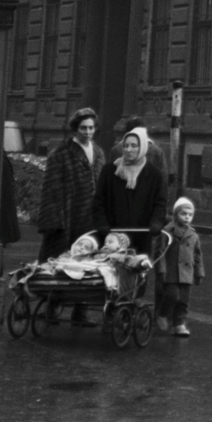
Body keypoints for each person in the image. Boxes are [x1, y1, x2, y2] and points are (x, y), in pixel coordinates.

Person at [36, 106, 107, 326]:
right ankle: (50, 306)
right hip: (67, 217)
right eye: (83, 128)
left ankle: (80, 312)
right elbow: (51, 189)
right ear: (75, 129)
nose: (88, 132)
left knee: (87, 265)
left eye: (91, 128)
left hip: (90, 219)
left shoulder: (99, 153)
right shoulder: (61, 153)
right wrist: (53, 220)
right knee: (60, 262)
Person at [92, 125, 167, 253]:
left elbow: (160, 203)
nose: (128, 149)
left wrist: (156, 223)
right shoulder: (109, 171)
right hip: (111, 238)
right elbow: (99, 200)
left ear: (142, 147)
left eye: (134, 146)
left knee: (137, 270)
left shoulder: (154, 175)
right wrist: (102, 224)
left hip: (141, 237)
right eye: (126, 145)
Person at [158, 198, 205, 337]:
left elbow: (197, 255)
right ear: (175, 214)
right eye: (183, 214)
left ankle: (179, 324)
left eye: (190, 215)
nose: (187, 217)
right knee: (172, 296)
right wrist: (161, 270)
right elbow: (159, 252)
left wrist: (199, 273)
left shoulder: (193, 235)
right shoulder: (167, 232)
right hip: (171, 271)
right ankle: (162, 313)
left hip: (187, 272)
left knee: (183, 301)